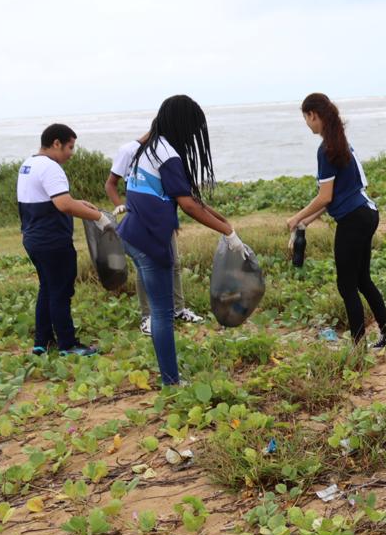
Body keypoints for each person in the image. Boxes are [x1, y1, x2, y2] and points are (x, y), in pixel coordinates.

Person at [117, 95, 247, 386]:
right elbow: (188, 205)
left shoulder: (150, 148)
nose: (194, 135)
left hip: (132, 235)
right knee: (162, 313)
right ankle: (171, 382)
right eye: (193, 128)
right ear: (183, 124)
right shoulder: (169, 155)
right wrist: (227, 233)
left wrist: (225, 223)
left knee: (161, 309)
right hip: (150, 241)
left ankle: (170, 377)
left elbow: (190, 198)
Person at [287, 93, 386, 349]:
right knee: (362, 280)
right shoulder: (342, 144)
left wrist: (296, 216)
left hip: (354, 220)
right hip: (367, 213)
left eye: (306, 118)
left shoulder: (326, 149)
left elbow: (324, 196)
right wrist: (305, 221)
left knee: (346, 284)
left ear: (313, 115)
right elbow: (333, 198)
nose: (307, 124)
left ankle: (358, 347)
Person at [17, 124, 110, 357]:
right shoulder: (51, 167)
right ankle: (68, 345)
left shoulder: (29, 164)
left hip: (33, 239)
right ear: (56, 143)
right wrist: (100, 217)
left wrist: (80, 202)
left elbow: (52, 199)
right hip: (53, 241)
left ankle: (42, 342)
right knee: (60, 291)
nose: (71, 152)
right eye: (70, 147)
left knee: (47, 288)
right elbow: (63, 204)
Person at [104, 135, 205, 335]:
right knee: (145, 267)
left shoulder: (165, 150)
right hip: (140, 220)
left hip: (162, 218)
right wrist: (120, 205)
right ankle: (147, 316)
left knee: (173, 262)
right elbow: (111, 184)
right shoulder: (129, 150)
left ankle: (178, 309)